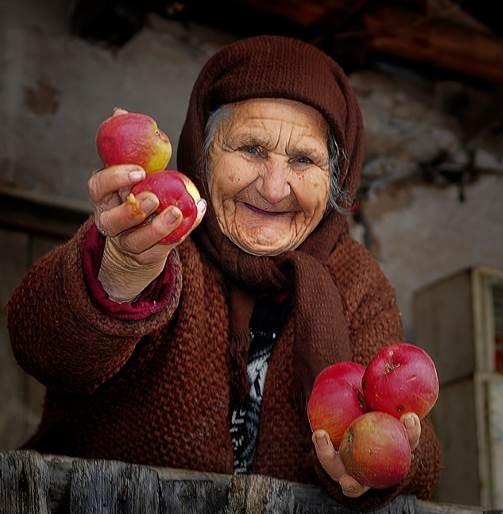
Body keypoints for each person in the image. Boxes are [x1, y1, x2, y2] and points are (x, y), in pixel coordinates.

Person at [9, 35, 441, 509]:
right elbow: (43, 348)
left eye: (304, 160)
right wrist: (120, 272)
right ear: (204, 152)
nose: (275, 188)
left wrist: (385, 462)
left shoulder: (357, 280)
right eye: (251, 149)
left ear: (336, 176)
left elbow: (421, 453)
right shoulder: (156, 232)